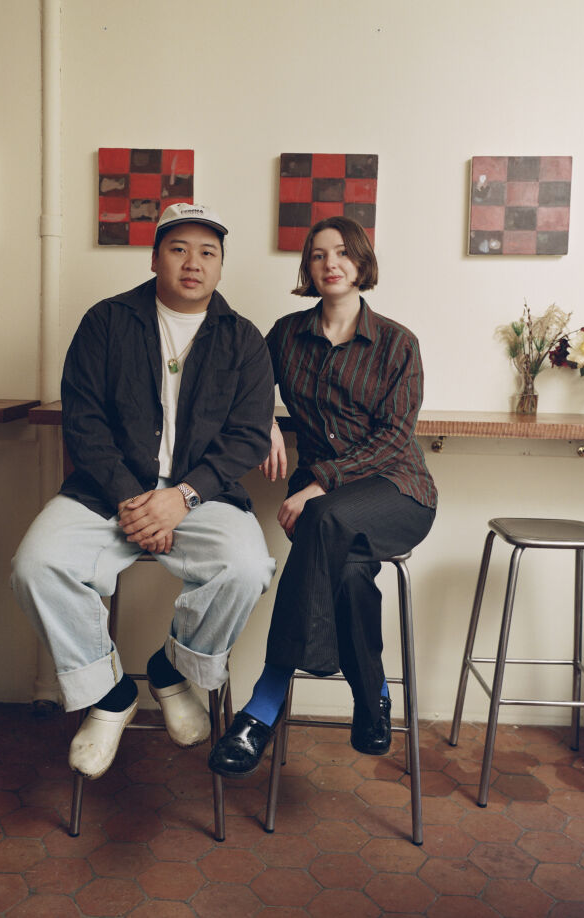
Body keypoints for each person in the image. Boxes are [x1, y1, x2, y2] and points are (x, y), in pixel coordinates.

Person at [11, 203, 276, 781]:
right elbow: (84, 420)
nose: (193, 263)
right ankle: (108, 696)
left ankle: (169, 669)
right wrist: (136, 499)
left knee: (247, 566)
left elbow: (248, 436)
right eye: (179, 248)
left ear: (221, 268)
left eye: (208, 253)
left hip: (203, 500)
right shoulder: (106, 322)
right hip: (107, 494)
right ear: (155, 257)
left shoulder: (244, 340)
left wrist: (181, 497)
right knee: (35, 565)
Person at [208, 216, 437, 777]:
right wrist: (263, 421)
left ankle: (265, 700)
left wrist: (318, 483)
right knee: (351, 571)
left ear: (361, 262)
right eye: (317, 255)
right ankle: (372, 692)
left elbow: (393, 437)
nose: (330, 263)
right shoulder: (285, 335)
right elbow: (243, 389)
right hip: (326, 511)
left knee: (323, 517)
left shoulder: (397, 343)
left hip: (397, 491)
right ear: (307, 268)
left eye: (341, 252)